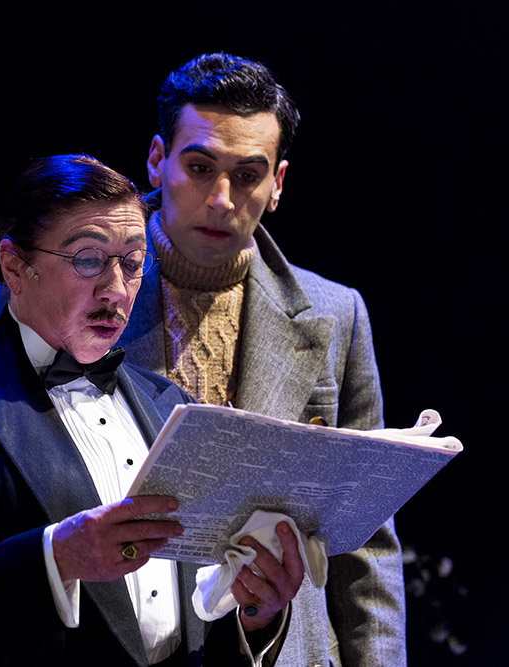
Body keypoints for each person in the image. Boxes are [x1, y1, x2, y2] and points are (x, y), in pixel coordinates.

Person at [0, 154, 303, 666]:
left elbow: (189, 614)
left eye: (131, 262)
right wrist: (53, 558)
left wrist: (252, 611)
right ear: (15, 266)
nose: (116, 290)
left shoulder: (171, 404)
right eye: (88, 259)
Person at [122, 54, 406, 666]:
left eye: (247, 175)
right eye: (199, 168)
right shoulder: (70, 289)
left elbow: (368, 547)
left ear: (278, 183)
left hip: (277, 647)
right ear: (156, 159)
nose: (222, 199)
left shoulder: (337, 315)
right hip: (118, 634)